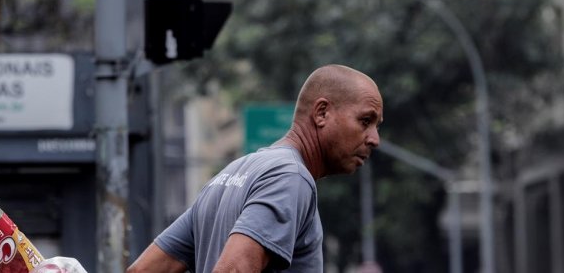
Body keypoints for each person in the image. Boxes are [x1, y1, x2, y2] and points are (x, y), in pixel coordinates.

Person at [128, 64, 383, 273]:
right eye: (365, 121)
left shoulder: (231, 173)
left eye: (376, 126)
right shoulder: (291, 178)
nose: (374, 139)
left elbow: (141, 270)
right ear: (321, 113)